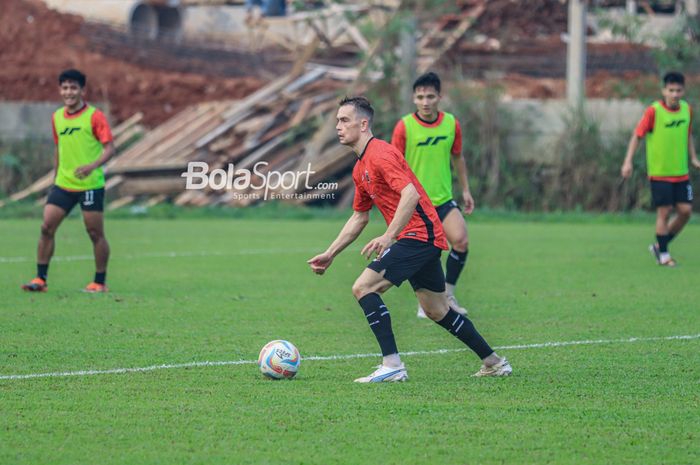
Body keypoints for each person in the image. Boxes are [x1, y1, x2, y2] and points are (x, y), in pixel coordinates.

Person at [307, 96, 512, 383]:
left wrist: (389, 236)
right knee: (437, 310)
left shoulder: (381, 154)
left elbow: (411, 194)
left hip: (419, 235)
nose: (338, 126)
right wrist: (331, 253)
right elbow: (359, 218)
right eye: (337, 121)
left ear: (363, 124)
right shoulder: (360, 168)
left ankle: (391, 364)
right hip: (418, 238)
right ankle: (494, 362)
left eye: (344, 120)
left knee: (364, 287)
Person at [21, 69, 115, 293]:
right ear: (60, 90)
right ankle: (40, 279)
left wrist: (92, 166)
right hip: (63, 184)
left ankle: (99, 282)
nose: (68, 92)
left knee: (95, 233)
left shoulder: (94, 116)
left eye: (73, 87)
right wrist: (55, 179)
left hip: (90, 184)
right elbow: (59, 148)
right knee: (46, 227)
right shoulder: (57, 117)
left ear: (82, 90)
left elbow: (110, 147)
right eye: (64, 87)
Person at [391, 72, 473, 318]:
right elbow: (392, 165)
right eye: (420, 97)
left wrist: (466, 189)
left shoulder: (451, 124)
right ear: (413, 99)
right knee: (423, 253)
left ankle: (447, 295)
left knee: (461, 241)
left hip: (443, 199)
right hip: (415, 203)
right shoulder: (404, 126)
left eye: (430, 96)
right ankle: (425, 304)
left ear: (439, 97)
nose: (425, 102)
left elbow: (457, 157)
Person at [621, 71, 699, 267]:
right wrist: (628, 161)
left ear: (683, 91)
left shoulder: (686, 110)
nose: (674, 94)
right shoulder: (654, 111)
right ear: (664, 90)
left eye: (678, 90)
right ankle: (664, 255)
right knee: (663, 213)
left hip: (681, 173)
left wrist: (693, 157)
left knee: (686, 211)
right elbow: (637, 135)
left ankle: (659, 246)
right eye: (671, 90)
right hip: (660, 173)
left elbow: (688, 135)